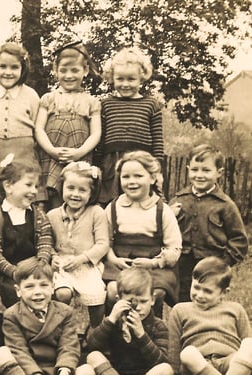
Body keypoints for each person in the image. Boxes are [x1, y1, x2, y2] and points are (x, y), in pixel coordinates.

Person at [75, 267, 174, 375]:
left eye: (143, 301)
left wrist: (141, 335)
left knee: (166, 370)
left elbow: (160, 361)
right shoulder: (114, 322)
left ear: (152, 300)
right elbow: (92, 345)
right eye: (131, 302)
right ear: (118, 300)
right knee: (93, 356)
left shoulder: (158, 326)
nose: (138, 307)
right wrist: (110, 320)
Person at [167, 257, 252, 375]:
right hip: (198, 369)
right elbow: (173, 357)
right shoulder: (179, 310)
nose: (200, 295)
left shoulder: (236, 309)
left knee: (250, 344)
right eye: (196, 287)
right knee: (187, 353)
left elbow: (246, 348)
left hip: (231, 367)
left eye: (207, 291)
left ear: (223, 293)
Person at [103, 151, 181, 318]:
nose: (132, 182)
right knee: (112, 291)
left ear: (152, 178)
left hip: (152, 266)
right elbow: (104, 242)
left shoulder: (162, 210)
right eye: (126, 177)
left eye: (138, 176)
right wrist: (114, 259)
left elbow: (174, 248)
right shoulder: (113, 207)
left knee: (156, 292)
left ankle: (152, 328)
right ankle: (114, 328)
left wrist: (154, 263)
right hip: (121, 265)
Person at [169, 144, 248, 303]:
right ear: (188, 169)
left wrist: (221, 263)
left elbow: (239, 241)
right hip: (182, 266)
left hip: (211, 266)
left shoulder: (225, 205)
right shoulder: (178, 200)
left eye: (206, 170)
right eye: (195, 169)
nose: (199, 175)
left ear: (219, 172)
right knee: (182, 304)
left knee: (207, 304)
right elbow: (167, 231)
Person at [35, 42, 101, 210]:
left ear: (85, 71)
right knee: (49, 198)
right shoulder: (48, 99)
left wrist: (79, 153)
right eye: (63, 70)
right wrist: (51, 150)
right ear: (55, 70)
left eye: (75, 70)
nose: (69, 75)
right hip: (51, 155)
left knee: (74, 192)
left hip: (77, 154)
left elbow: (96, 133)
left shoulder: (91, 102)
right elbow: (39, 128)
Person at [3, 258, 80, 375]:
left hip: (58, 366)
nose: (37, 292)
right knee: (14, 373)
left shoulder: (65, 312)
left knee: (86, 373)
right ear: (18, 291)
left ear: (52, 287)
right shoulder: (11, 315)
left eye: (44, 285)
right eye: (29, 287)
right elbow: (19, 351)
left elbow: (68, 346)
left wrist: (64, 373)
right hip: (31, 370)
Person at [96, 47, 163, 205]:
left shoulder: (151, 104)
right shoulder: (106, 105)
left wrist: (158, 169)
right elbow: (100, 139)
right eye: (120, 79)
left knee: (143, 201)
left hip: (142, 162)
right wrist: (97, 165)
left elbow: (158, 141)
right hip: (112, 164)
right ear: (112, 78)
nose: (125, 84)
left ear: (141, 78)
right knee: (112, 204)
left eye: (131, 79)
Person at [46, 161, 108, 328]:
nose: (75, 194)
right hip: (62, 265)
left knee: (97, 296)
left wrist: (82, 258)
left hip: (86, 264)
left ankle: (95, 329)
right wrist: (52, 256)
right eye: (71, 188)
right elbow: (46, 242)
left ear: (91, 193)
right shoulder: (52, 215)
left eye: (82, 190)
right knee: (62, 293)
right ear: (62, 188)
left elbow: (103, 244)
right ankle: (62, 328)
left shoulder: (96, 213)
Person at [0, 42, 41, 195]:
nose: (8, 72)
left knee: (21, 188)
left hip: (23, 152)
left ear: (22, 69)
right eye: (2, 66)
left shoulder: (31, 95)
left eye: (14, 67)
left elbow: (38, 129)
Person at [0, 160, 52, 309]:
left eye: (36, 186)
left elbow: (45, 244)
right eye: (29, 185)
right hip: (9, 273)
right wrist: (14, 272)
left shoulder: (39, 215)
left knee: (42, 289)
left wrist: (40, 265)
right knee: (13, 293)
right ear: (8, 186)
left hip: (36, 269)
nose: (34, 191)